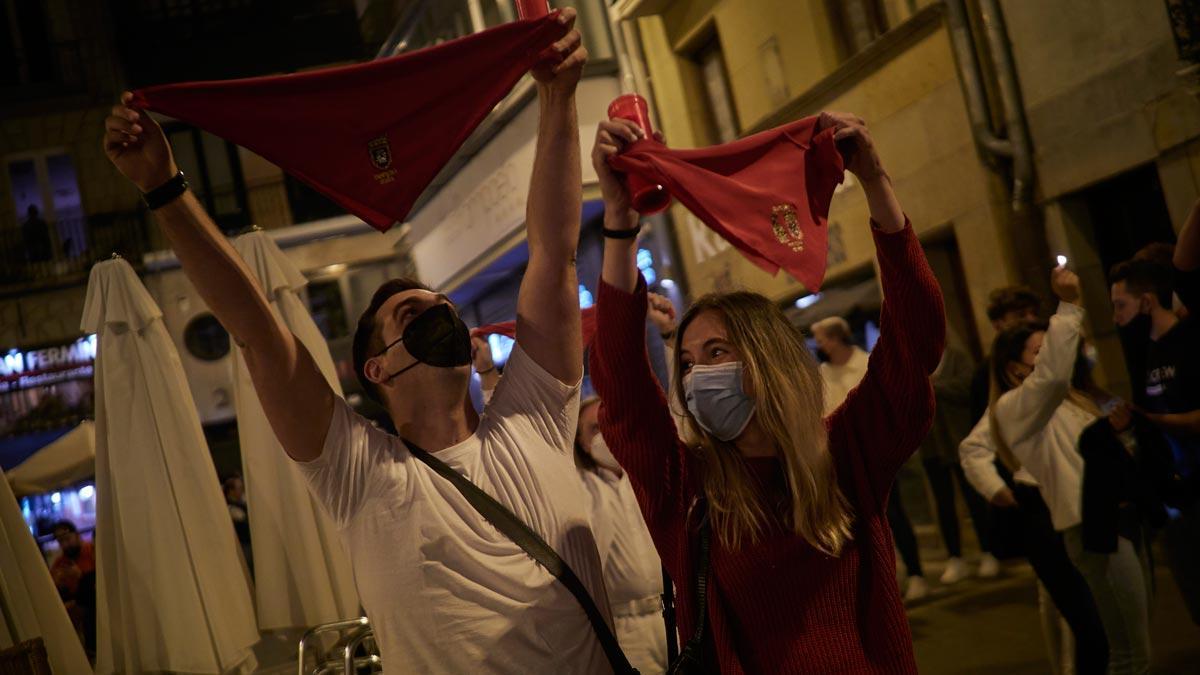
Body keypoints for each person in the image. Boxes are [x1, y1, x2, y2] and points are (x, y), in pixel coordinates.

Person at [103, 14, 611, 672]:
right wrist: (165, 188)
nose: (439, 314)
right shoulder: (361, 472)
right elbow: (258, 331)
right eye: (412, 313)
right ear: (378, 367)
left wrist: (558, 95)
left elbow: (554, 253)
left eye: (442, 306)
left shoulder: (535, 418)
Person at [590, 110, 944, 672]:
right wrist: (617, 219)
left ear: (768, 362)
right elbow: (624, 386)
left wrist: (875, 184)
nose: (696, 376)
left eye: (715, 353)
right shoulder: (687, 488)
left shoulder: (847, 455)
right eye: (686, 363)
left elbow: (914, 342)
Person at [989, 264, 1155, 674]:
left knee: (1131, 645)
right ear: (1014, 368)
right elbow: (1054, 376)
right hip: (1091, 527)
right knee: (1129, 653)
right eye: (1037, 353)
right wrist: (1068, 304)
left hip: (1114, 518)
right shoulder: (1016, 406)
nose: (1048, 360)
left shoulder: (1062, 401)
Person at [474, 338, 669, 674]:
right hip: (626, 629)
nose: (604, 436)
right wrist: (488, 374)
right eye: (594, 429)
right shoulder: (582, 487)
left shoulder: (650, 477)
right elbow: (515, 448)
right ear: (580, 440)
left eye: (609, 425)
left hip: (670, 619)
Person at [1109, 204, 1200, 628]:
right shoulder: (1149, 352)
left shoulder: (1188, 341)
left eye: (1121, 305)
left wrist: (1152, 420)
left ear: (1147, 300)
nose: (1116, 318)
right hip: (1178, 497)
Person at [919, 342, 1000, 583]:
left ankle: (989, 550)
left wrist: (935, 386)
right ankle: (955, 557)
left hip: (960, 438)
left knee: (974, 497)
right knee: (943, 504)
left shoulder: (956, 357)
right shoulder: (914, 363)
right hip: (931, 443)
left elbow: (969, 388)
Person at [969, 286, 1041, 424]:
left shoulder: (1047, 353)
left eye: (1033, 313)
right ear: (998, 324)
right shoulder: (987, 371)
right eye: (1021, 315)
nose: (1031, 319)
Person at [50, 520, 96, 651]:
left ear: (76, 535)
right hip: (74, 605)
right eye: (61, 542)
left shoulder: (91, 550)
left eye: (67, 539)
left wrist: (80, 575)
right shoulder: (60, 563)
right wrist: (57, 583)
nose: (65, 544)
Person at [811, 316, 870, 416]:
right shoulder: (822, 372)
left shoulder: (867, 363)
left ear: (834, 338)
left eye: (820, 341)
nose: (819, 346)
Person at [222, 473, 253, 576]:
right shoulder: (231, 508)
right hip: (244, 546)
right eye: (239, 488)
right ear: (231, 491)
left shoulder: (242, 503)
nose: (241, 490)